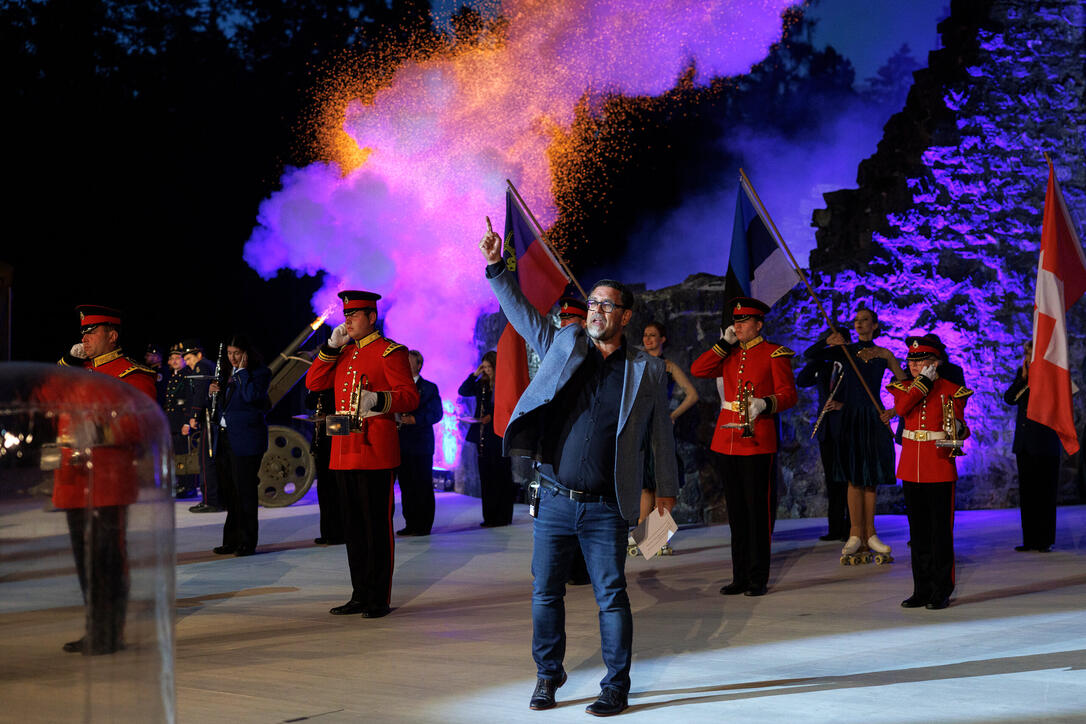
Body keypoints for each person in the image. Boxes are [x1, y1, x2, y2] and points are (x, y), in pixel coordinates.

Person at [479, 227, 678, 717]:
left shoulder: (645, 370)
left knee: (611, 596)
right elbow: (524, 316)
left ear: (625, 316)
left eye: (606, 305)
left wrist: (664, 510)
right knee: (545, 592)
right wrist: (497, 269)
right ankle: (548, 676)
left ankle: (617, 685)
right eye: (592, 302)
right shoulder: (565, 342)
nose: (595, 310)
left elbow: (660, 442)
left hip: (608, 506)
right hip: (553, 499)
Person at [305, 290, 419, 619]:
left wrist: (379, 400)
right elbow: (314, 383)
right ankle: (359, 594)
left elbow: (409, 397)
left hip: (375, 451)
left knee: (375, 528)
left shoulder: (390, 352)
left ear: (372, 317)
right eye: (346, 314)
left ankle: (378, 597)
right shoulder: (343, 352)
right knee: (352, 529)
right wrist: (329, 348)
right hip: (344, 449)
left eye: (354, 315)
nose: (348, 320)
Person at [55, 305, 157, 654]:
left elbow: (142, 421)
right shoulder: (79, 371)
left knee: (107, 559)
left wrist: (99, 428)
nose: (84, 337)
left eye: (92, 331)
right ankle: (96, 627)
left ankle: (110, 632)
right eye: (83, 332)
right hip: (72, 479)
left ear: (112, 335)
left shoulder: (133, 374)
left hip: (108, 479)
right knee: (85, 560)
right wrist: (68, 359)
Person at [690, 297, 797, 597]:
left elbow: (789, 395)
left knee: (757, 514)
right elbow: (699, 369)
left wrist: (765, 403)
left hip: (757, 441)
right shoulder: (729, 352)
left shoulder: (774, 353)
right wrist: (723, 344)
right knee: (735, 514)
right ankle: (739, 576)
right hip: (727, 440)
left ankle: (757, 577)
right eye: (735, 321)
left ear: (759, 324)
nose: (737, 325)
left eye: (744, 321)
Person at [809, 308, 904, 564]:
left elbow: (905, 385)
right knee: (853, 476)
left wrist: (894, 410)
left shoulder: (885, 354)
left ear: (874, 325)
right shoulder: (846, 351)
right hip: (851, 419)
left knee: (870, 476)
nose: (859, 324)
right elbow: (811, 356)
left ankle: (871, 533)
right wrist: (827, 341)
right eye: (856, 321)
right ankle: (854, 533)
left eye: (865, 320)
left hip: (873, 417)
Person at [888, 334, 972, 610]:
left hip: (939, 466)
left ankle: (941, 589)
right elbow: (901, 409)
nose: (913, 366)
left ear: (936, 362)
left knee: (940, 534)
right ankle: (921, 589)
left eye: (921, 361)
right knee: (919, 533)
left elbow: (960, 424)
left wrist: (959, 430)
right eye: (911, 361)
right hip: (912, 467)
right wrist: (921, 383)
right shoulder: (904, 387)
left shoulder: (952, 388)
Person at [635, 321, 698, 555]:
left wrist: (672, 415)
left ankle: (653, 540)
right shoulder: (636, 365)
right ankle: (647, 541)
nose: (648, 339)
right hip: (642, 430)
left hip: (661, 431)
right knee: (646, 487)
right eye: (645, 335)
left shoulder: (668, 366)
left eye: (653, 335)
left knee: (664, 485)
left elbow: (692, 395)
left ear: (663, 339)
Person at [209, 334, 270, 557]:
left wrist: (243, 373)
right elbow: (222, 405)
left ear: (247, 353)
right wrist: (212, 393)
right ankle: (231, 540)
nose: (232, 358)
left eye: (237, 353)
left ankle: (247, 542)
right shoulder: (226, 372)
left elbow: (252, 397)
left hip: (246, 440)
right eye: (229, 353)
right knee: (230, 492)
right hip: (225, 438)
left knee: (245, 492)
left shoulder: (259, 372)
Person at [1003, 340, 1061, 552]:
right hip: (1025, 444)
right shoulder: (1023, 374)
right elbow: (1009, 398)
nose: (1028, 358)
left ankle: (1044, 540)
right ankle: (1030, 539)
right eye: (1026, 354)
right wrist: (1024, 379)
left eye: (1032, 354)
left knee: (1045, 493)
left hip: (1045, 443)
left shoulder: (1053, 374)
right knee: (1027, 494)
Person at [798, 326, 850, 541]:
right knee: (832, 481)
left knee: (849, 480)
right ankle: (835, 527)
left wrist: (843, 406)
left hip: (847, 429)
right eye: (831, 341)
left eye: (838, 340)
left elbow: (864, 398)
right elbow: (802, 380)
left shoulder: (854, 364)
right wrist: (824, 345)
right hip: (827, 431)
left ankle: (852, 527)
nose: (834, 345)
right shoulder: (823, 364)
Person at [459, 351, 515, 528]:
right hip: (483, 435)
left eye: (490, 367)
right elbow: (463, 390)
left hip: (498, 435)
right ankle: (490, 515)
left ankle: (503, 515)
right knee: (486, 476)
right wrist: (475, 374)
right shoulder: (481, 384)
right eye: (485, 367)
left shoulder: (504, 384)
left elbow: (508, 406)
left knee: (501, 475)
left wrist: (491, 416)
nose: (487, 371)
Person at [396, 349, 444, 536]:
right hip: (402, 444)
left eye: (409, 362)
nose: (406, 365)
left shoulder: (429, 388)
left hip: (421, 445)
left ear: (418, 365)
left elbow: (436, 413)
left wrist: (416, 420)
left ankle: (424, 525)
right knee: (406, 486)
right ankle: (410, 523)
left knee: (422, 484)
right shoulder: (398, 386)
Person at [181, 339, 221, 513]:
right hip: (213, 418)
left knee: (206, 461)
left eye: (189, 358)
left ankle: (210, 500)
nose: (188, 363)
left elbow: (200, 392)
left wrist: (194, 415)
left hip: (208, 418)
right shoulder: (208, 365)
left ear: (199, 355)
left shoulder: (202, 366)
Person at [164, 342, 198, 498]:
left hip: (181, 421)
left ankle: (189, 486)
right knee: (176, 455)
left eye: (178, 357)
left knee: (184, 454)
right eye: (172, 358)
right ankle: (180, 483)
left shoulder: (186, 376)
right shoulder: (173, 377)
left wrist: (186, 422)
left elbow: (189, 400)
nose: (175, 360)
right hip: (172, 422)